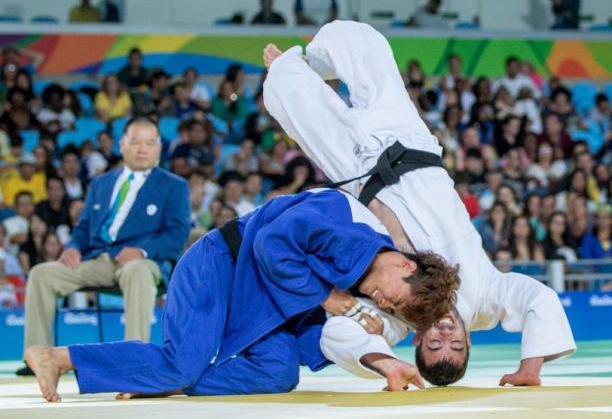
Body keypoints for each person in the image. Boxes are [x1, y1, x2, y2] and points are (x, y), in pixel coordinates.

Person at [263, 20, 575, 387]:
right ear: (469, 340)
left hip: (356, 167)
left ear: (417, 339)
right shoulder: (487, 297)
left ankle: (287, 67)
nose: (445, 332)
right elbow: (539, 298)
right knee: (363, 42)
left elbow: (336, 338)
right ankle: (314, 62)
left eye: (434, 343)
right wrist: (530, 367)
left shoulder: (395, 317)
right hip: (410, 144)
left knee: (290, 94)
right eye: (455, 343)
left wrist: (384, 362)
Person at [25, 187, 460, 402]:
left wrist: (383, 360)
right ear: (405, 264)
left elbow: (336, 337)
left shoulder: (360, 269)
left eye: (392, 310)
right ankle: (59, 358)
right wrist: (327, 298)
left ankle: (162, 379)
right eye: (395, 299)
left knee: (278, 373)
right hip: (219, 265)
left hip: (261, 299)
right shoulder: (344, 218)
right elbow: (271, 243)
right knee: (180, 363)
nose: (383, 304)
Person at [17, 117, 191, 376]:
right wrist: (74, 246)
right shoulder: (101, 183)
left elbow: (177, 234)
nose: (142, 149)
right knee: (42, 274)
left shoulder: (174, 186)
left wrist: (141, 251)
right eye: (135, 142)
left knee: (138, 271)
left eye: (150, 143)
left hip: (142, 262)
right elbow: (84, 227)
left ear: (158, 148)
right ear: (122, 145)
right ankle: (39, 359)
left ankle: (132, 360)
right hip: (97, 259)